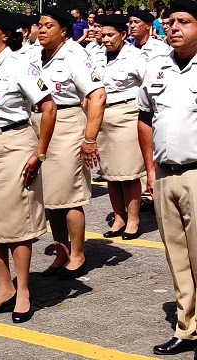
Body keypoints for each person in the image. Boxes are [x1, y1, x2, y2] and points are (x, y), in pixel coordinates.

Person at [0, 7, 56, 323]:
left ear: (4, 33)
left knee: (17, 223)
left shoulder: (20, 66)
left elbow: (48, 108)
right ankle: (4, 288)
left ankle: (23, 292)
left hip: (15, 145)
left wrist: (40, 153)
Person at [138, 1, 197, 355]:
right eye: (171, 22)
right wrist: (149, 168)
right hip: (164, 176)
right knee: (177, 258)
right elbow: (144, 117)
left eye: (184, 22)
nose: (174, 27)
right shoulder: (156, 66)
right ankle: (186, 327)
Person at [34, 8, 107, 279]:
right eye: (39, 25)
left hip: (66, 125)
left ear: (63, 30)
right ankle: (61, 252)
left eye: (48, 26)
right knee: (51, 197)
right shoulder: (35, 55)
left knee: (69, 196)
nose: (41, 30)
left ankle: (77, 254)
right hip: (41, 125)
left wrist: (89, 139)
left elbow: (97, 96)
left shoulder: (74, 55)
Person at [95, 15, 146, 240]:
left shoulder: (136, 57)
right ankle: (119, 218)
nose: (105, 39)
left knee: (128, 172)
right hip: (101, 116)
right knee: (110, 173)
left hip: (127, 114)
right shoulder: (95, 56)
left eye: (110, 35)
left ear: (123, 35)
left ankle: (133, 220)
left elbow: (147, 86)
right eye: (103, 35)